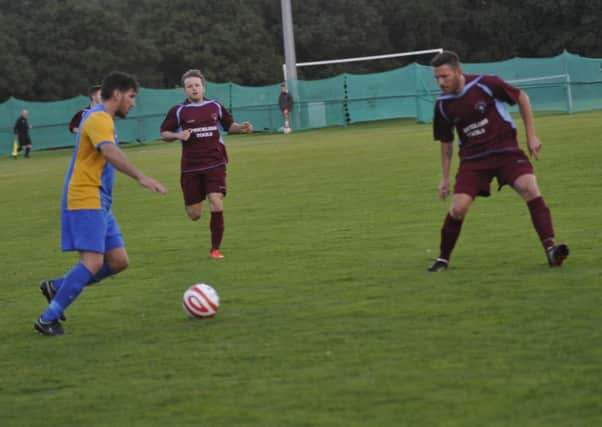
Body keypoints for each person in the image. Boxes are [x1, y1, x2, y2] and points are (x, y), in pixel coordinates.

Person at [34, 71, 167, 336]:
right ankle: (47, 319)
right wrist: (141, 176)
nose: (133, 103)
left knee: (118, 261)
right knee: (92, 262)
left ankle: (58, 288)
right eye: (131, 97)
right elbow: (109, 151)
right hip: (86, 197)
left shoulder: (103, 119)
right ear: (117, 93)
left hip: (101, 201)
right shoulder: (97, 118)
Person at [427, 50, 569, 272]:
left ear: (458, 72)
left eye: (444, 76)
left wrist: (531, 136)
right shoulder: (443, 105)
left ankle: (551, 250)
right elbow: (446, 142)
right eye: (437, 78)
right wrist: (444, 179)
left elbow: (522, 97)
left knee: (529, 187)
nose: (440, 82)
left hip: (506, 152)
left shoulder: (486, 83)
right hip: (473, 161)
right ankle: (443, 259)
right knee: (458, 208)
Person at [160, 69, 252, 260]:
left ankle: (215, 249)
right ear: (185, 90)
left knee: (216, 202)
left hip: (215, 163)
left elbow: (229, 126)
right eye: (189, 86)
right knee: (194, 214)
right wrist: (178, 135)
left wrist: (241, 127)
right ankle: (196, 202)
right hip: (191, 167)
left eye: (197, 85)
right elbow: (164, 133)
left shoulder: (215, 106)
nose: (194, 89)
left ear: (203, 87)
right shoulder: (178, 111)